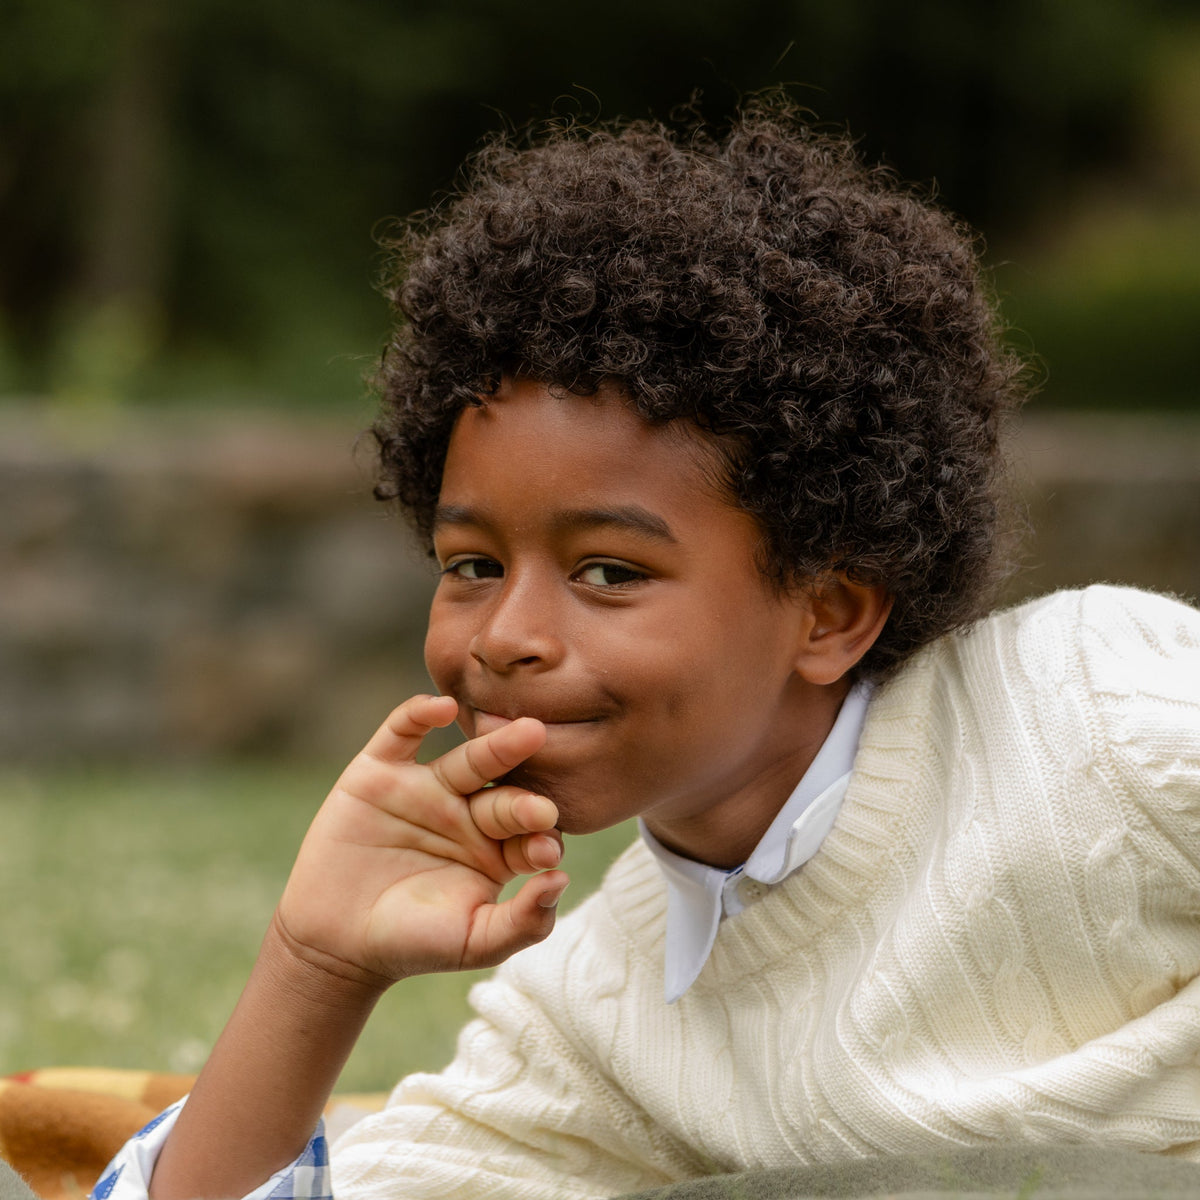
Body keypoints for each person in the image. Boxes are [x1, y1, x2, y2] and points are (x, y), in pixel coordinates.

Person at [96, 99, 1200, 1200]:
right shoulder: (601, 1015)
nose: (508, 638)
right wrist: (316, 967)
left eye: (609, 574)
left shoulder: (1091, 713)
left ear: (829, 614)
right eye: (472, 564)